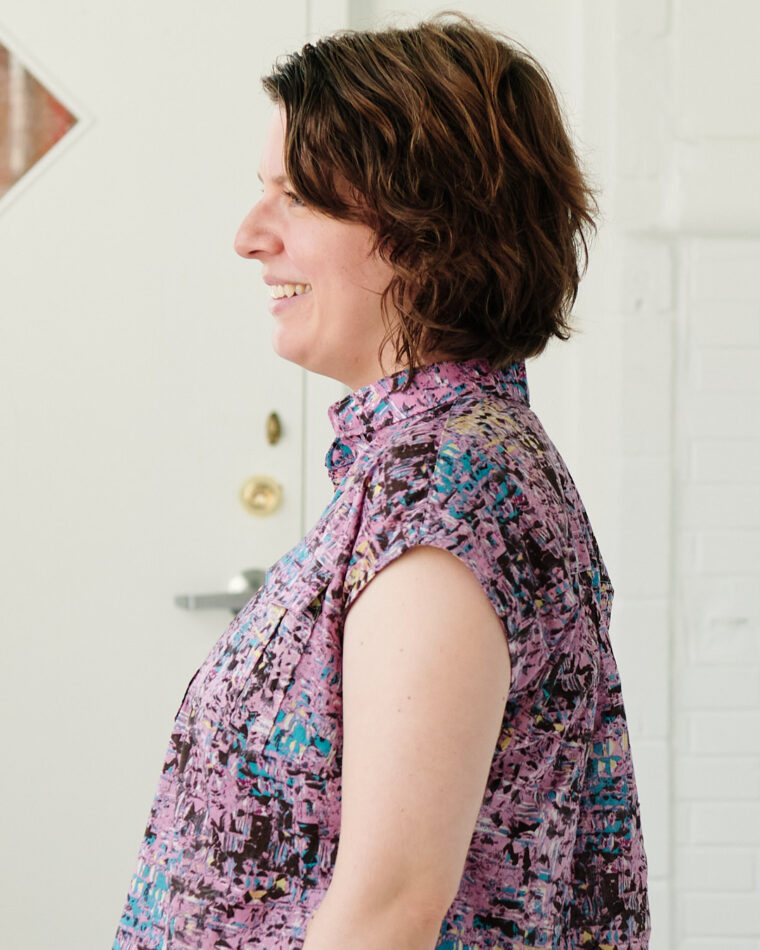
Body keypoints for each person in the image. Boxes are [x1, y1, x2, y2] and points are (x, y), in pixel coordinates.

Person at [113, 13, 650, 950]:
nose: (248, 236)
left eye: (298, 200)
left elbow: (391, 907)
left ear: (425, 228)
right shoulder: (432, 461)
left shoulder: (447, 491)